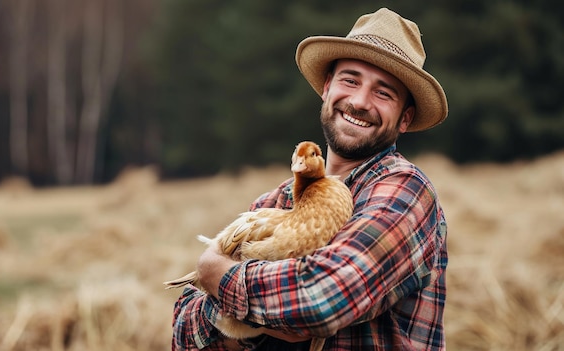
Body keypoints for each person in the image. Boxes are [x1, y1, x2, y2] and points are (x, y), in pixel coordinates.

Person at [172, 7, 449, 351]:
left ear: (405, 118)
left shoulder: (405, 192)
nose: (360, 101)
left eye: (384, 92)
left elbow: (324, 296)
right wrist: (251, 309)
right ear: (327, 87)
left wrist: (216, 274)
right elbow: (184, 332)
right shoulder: (274, 202)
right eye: (350, 80)